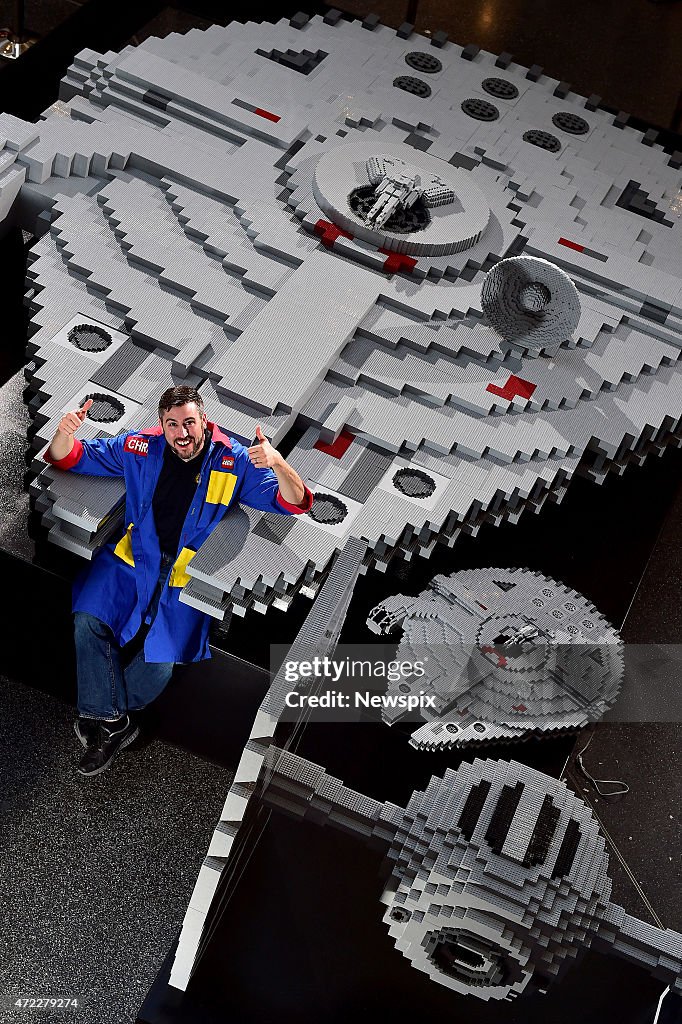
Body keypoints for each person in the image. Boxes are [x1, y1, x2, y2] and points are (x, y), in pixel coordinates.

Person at [44, 385, 312, 777]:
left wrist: (277, 463)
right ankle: (116, 724)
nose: (181, 433)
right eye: (172, 424)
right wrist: (65, 431)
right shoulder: (138, 446)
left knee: (162, 663)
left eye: (189, 422)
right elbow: (71, 457)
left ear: (204, 421)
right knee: (88, 617)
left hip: (186, 574)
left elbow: (294, 502)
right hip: (133, 557)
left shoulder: (234, 460)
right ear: (162, 425)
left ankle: (104, 716)